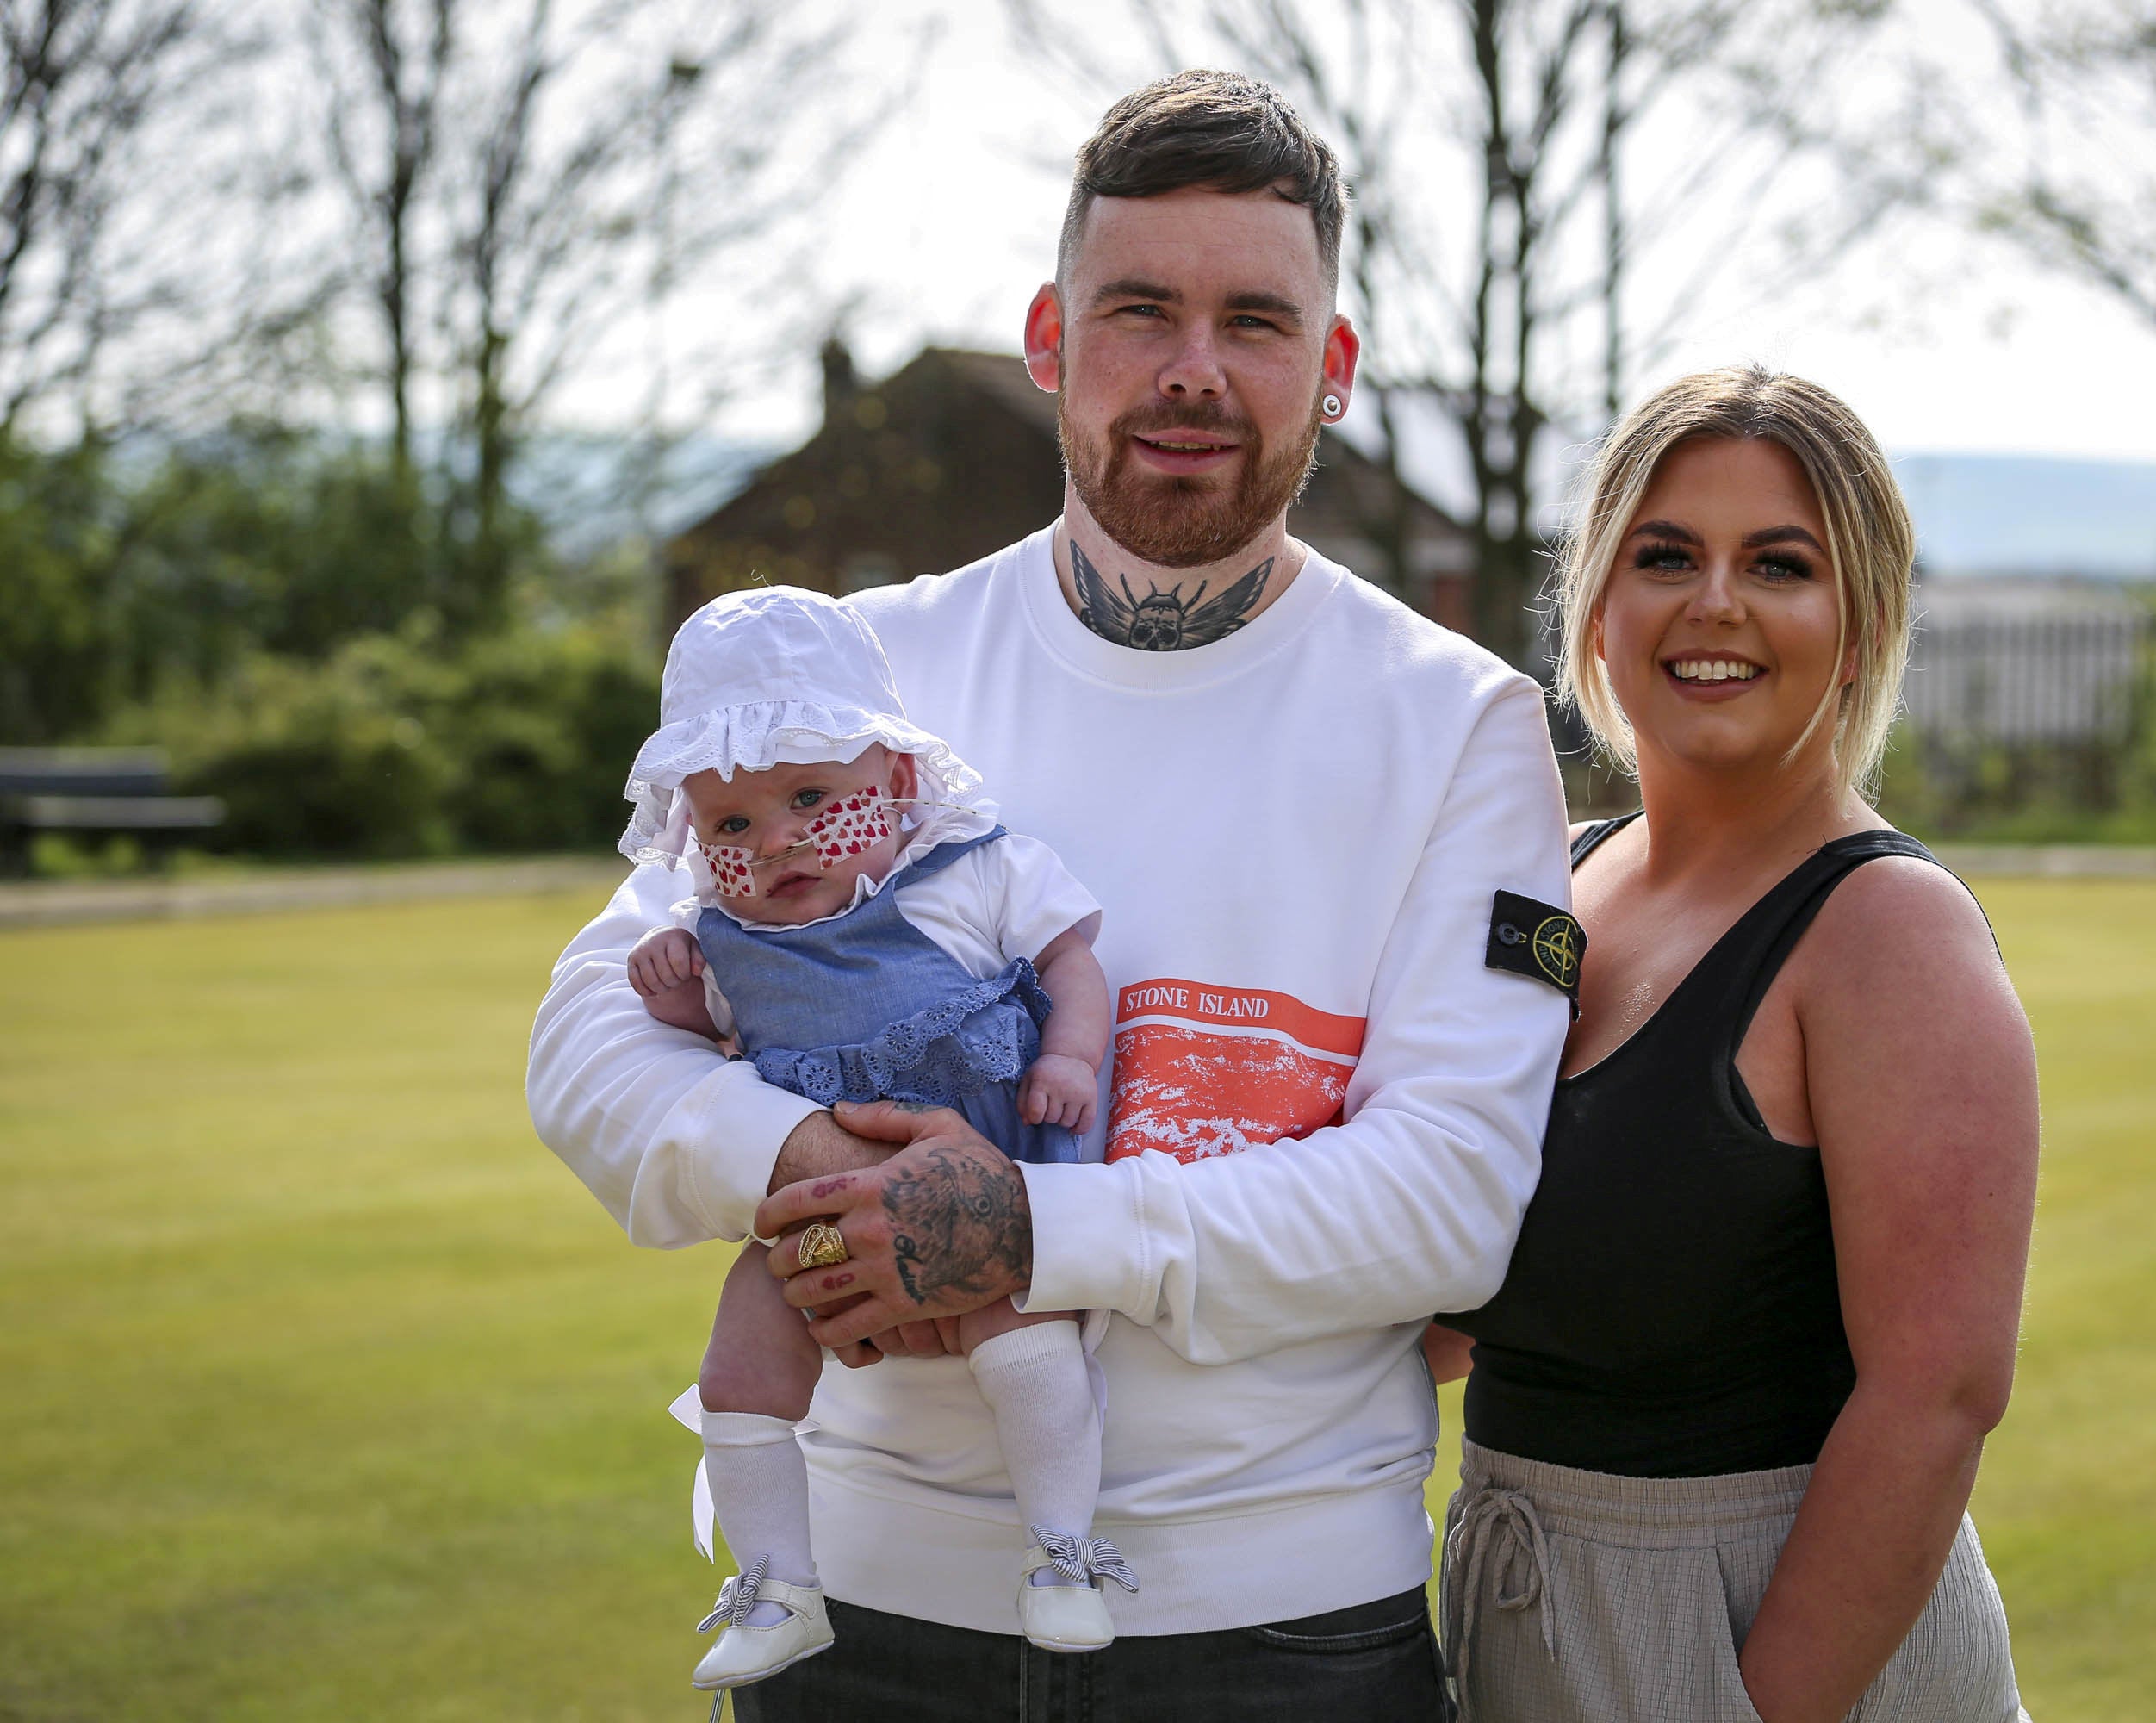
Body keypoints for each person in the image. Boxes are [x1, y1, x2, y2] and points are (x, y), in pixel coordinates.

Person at [526, 70, 1574, 1721]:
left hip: (1285, 1635)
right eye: (1138, 309)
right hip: (859, 1631)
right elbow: (592, 1041)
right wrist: (808, 1164)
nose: (1192, 371)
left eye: (1256, 320)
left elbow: (1448, 1198)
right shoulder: (864, 663)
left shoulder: (1460, 723)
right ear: (1049, 337)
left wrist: (1026, 1228)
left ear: (1338, 367)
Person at [1427, 367, 2039, 1722]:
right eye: (1666, 556)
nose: (1716, 603)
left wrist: (1756, 1701)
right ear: (1598, 602)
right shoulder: (1551, 890)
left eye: (1779, 564)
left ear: (1864, 623)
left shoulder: (1887, 931)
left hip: (1775, 1637)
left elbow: (1936, 1396)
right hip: (1520, 1598)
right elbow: (1454, 1244)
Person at [618, 587, 1125, 1687]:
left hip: (988, 1177)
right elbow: (694, 1051)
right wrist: (666, 992)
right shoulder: (721, 937)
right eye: (734, 824)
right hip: (816, 1211)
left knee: (1022, 1335)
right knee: (738, 1364)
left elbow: (1073, 962)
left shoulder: (969, 869)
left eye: (811, 795)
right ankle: (777, 1583)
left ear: (894, 780)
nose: (779, 839)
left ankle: (1063, 1551)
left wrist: (1069, 1060)